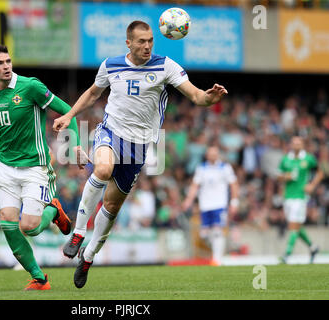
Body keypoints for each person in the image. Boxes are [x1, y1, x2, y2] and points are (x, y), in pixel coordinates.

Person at [53, 21, 228, 288]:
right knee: (101, 170)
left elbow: (195, 95)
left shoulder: (165, 66)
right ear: (128, 43)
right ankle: (78, 233)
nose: (147, 46)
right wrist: (69, 115)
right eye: (141, 41)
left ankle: (87, 258)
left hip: (139, 147)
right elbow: (92, 93)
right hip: (110, 133)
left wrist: (209, 98)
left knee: (111, 207)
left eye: (150, 41)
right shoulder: (111, 65)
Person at [0, 44, 87, 290]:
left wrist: (75, 145)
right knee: (7, 223)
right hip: (5, 168)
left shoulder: (31, 86)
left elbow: (68, 111)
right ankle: (40, 278)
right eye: (0, 63)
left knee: (29, 227)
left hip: (35, 167)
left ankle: (53, 210)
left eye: (8, 61)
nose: (6, 66)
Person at [181, 146, 239, 266]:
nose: (212, 156)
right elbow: (195, 185)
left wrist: (234, 202)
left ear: (218, 155)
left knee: (218, 230)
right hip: (205, 205)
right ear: (207, 155)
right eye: (210, 154)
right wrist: (188, 200)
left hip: (219, 204)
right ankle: (216, 254)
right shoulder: (201, 168)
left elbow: (233, 184)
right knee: (205, 234)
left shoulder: (225, 168)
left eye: (215, 154)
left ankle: (217, 259)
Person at [277, 136, 319, 264]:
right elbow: (278, 176)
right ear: (290, 145)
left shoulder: (308, 158)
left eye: (299, 143)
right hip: (288, 196)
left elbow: (320, 171)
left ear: (303, 145)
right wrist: (286, 176)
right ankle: (313, 247)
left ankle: (287, 254)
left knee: (293, 225)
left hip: (300, 196)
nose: (296, 145)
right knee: (295, 225)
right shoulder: (286, 159)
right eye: (294, 143)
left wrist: (312, 185)